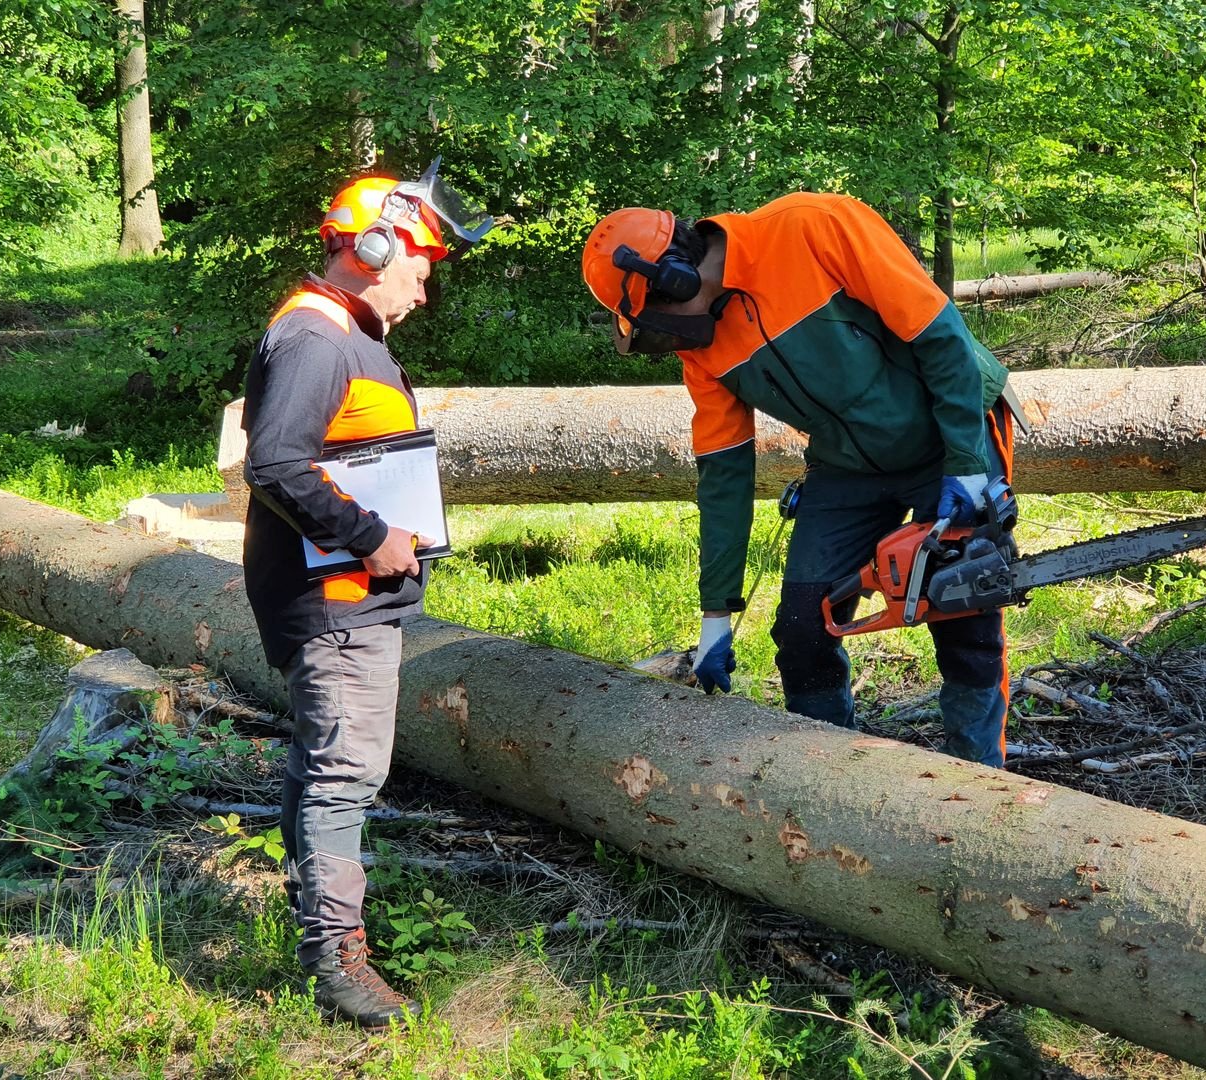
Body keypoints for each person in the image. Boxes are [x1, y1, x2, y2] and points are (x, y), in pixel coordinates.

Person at [580, 192, 1018, 767]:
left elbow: (941, 335)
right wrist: (716, 615)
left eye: (653, 321)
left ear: (676, 281)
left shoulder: (812, 228)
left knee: (964, 608)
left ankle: (984, 781)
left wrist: (964, 460)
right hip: (845, 464)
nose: (668, 340)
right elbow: (724, 475)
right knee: (803, 630)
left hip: (950, 426)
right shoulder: (703, 350)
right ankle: (826, 777)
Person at [241, 170, 474, 1028]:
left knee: (326, 763)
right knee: (345, 772)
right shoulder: (317, 336)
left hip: (351, 597)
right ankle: (337, 961)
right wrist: (370, 535)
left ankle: (315, 922)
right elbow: (275, 462)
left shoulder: (348, 332)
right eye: (420, 266)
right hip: (336, 600)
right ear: (375, 248)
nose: (424, 287)